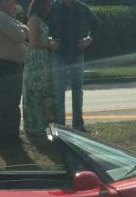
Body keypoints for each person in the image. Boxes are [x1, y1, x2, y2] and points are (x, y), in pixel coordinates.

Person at [49, 0, 100, 132]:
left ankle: (78, 123)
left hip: (77, 53)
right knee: (58, 91)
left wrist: (89, 39)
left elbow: (96, 23)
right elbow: (42, 24)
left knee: (77, 90)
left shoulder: (81, 7)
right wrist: (49, 39)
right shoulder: (54, 7)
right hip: (58, 53)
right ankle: (60, 126)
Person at [0, 0, 29, 148]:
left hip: (13, 66)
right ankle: (6, 138)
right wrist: (22, 30)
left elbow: (25, 30)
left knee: (12, 103)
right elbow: (19, 35)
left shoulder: (8, 17)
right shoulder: (0, 17)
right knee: (6, 104)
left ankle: (12, 135)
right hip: (5, 66)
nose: (15, 4)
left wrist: (22, 29)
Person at [22, 0, 58, 137]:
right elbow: (33, 42)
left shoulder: (40, 20)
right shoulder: (34, 20)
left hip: (43, 60)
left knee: (45, 93)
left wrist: (49, 40)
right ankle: (34, 127)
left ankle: (47, 127)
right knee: (35, 93)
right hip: (35, 60)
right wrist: (49, 45)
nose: (49, 8)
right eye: (48, 5)